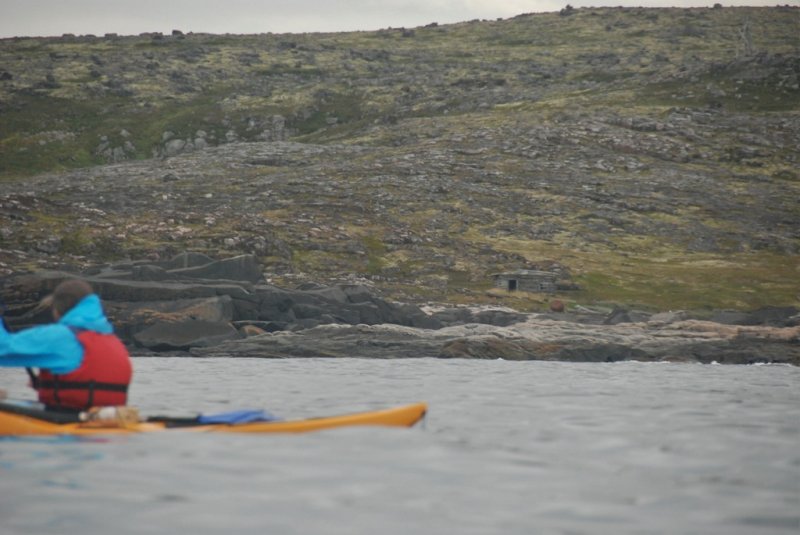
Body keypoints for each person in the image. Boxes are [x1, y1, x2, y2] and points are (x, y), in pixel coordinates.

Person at [0, 279, 132, 412]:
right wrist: (47, 383)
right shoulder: (113, 340)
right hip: (109, 420)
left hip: (63, 421)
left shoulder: (60, 336)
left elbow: (3, 347)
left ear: (57, 309)